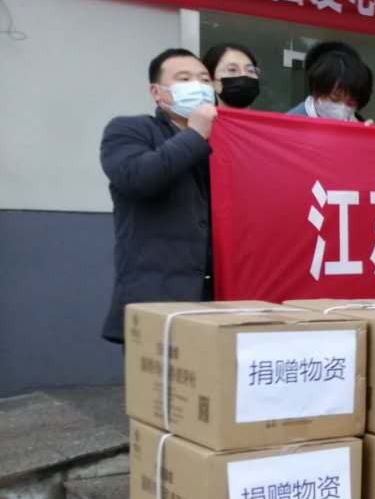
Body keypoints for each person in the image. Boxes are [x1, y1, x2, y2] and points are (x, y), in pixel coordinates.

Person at [99, 48, 217, 343]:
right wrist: (195, 135)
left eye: (204, 80)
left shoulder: (225, 140)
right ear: (157, 92)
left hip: (218, 303)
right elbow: (138, 178)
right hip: (157, 303)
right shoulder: (130, 129)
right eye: (184, 79)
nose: (198, 86)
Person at [287, 41, 373, 122]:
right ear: (316, 91)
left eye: (350, 103)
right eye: (335, 98)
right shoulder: (291, 123)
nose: (341, 108)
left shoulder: (356, 122)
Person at [202, 43, 262, 109]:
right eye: (232, 70)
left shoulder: (268, 115)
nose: (244, 75)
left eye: (250, 70)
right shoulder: (197, 116)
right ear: (210, 80)